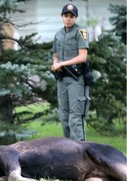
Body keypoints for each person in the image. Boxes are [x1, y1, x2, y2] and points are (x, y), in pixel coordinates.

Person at [51, 4, 90, 141]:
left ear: (75, 17)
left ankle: (81, 152)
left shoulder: (81, 32)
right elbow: (55, 54)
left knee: (76, 116)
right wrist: (55, 63)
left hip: (76, 79)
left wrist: (61, 63)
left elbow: (82, 57)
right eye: (66, 15)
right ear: (62, 16)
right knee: (64, 116)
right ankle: (69, 151)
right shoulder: (58, 34)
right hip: (62, 80)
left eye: (71, 16)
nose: (68, 19)